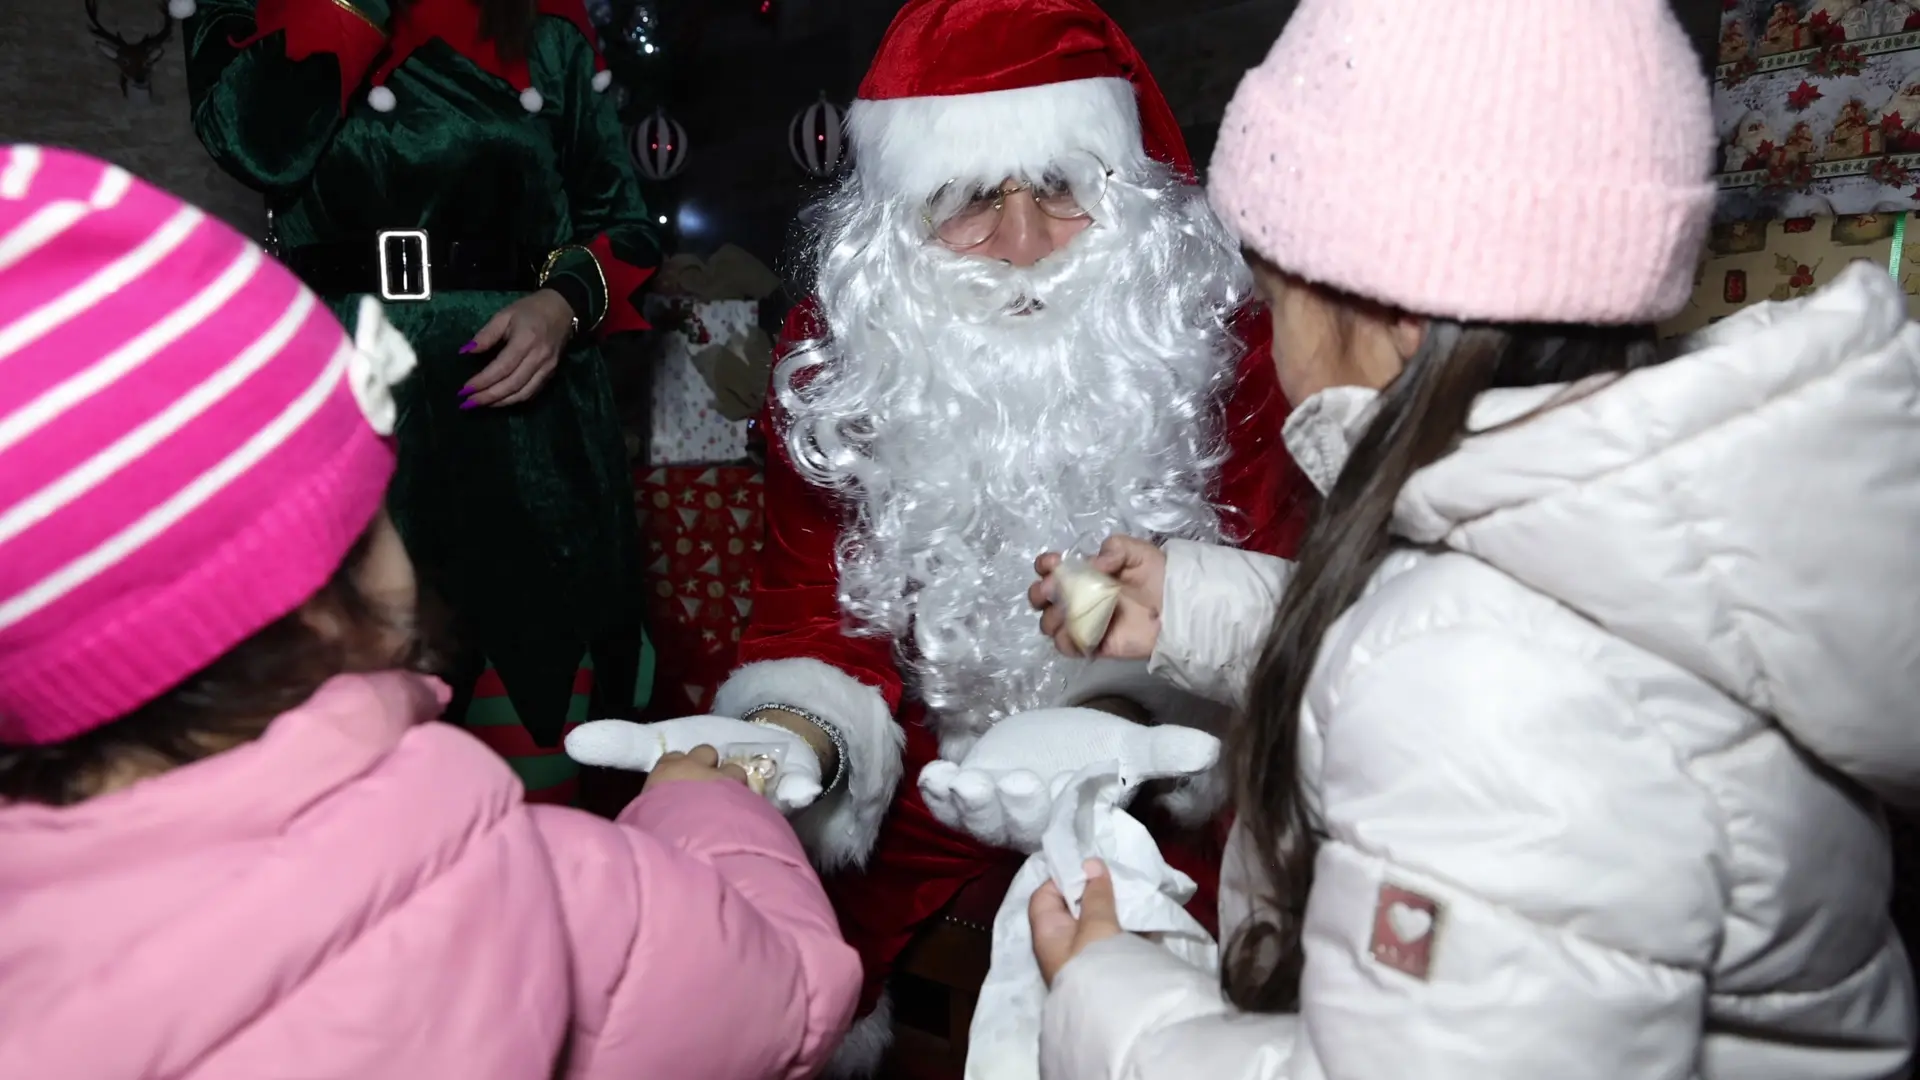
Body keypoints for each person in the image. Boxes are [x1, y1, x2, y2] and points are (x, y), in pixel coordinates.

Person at [1022, 1, 1920, 1077]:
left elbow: (1485, 685)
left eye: (1277, 288)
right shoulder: (1629, 494)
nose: (1270, 331)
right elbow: (1509, 632)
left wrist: (1108, 989)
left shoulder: (1480, 686)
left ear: (1400, 305)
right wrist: (1196, 604)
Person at [564, 0, 1313, 1071]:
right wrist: (794, 737)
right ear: (898, 225)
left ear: (1130, 195)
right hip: (925, 784)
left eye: (1062, 189)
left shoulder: (1216, 353)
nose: (1019, 245)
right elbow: (814, 616)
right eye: (966, 200)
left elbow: (1291, 631)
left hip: (1184, 789)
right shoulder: (845, 372)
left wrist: (1112, 736)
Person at [0, 146, 858, 1079]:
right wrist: (706, 812)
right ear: (344, 588)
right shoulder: (526, 885)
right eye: (373, 499)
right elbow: (795, 997)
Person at [180, 0, 658, 802]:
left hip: (525, 424)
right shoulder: (257, 14)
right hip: (351, 416)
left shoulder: (543, 29)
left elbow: (628, 225)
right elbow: (258, 143)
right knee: (354, 775)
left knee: (545, 768)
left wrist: (564, 304)